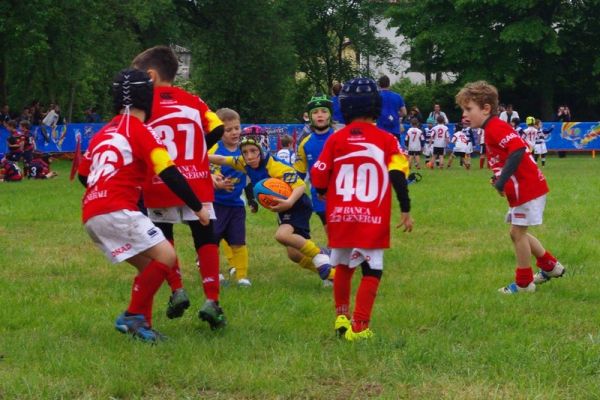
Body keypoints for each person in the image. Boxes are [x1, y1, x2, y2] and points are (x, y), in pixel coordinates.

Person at [78, 68, 210, 342]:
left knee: (148, 265)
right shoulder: (141, 131)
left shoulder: (103, 132)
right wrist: (197, 207)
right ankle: (132, 316)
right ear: (147, 99)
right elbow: (169, 172)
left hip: (91, 213)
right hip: (117, 209)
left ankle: (142, 327)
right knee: (166, 257)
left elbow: (83, 173)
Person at [309, 77, 413, 341]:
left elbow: (319, 174)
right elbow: (398, 175)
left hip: (340, 215)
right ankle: (360, 327)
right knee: (372, 270)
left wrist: (323, 192)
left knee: (343, 265)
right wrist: (405, 208)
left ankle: (341, 316)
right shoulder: (387, 140)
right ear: (376, 105)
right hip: (371, 215)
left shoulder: (335, 139)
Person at [131, 45, 227, 330]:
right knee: (205, 236)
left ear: (150, 76)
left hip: (160, 181)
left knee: (164, 237)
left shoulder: (142, 104)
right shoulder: (194, 101)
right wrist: (198, 152)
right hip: (196, 180)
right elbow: (219, 128)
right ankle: (212, 300)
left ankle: (177, 289)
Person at [456, 80, 564, 294]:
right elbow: (507, 157)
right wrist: (499, 177)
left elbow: (517, 150)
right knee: (518, 232)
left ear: (486, 109)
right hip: (524, 187)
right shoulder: (491, 129)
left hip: (527, 188)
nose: (464, 115)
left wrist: (503, 179)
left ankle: (524, 284)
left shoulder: (495, 126)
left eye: (469, 109)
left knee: (517, 234)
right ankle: (551, 266)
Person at [208, 127, 334, 286]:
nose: (249, 156)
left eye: (253, 151)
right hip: (284, 208)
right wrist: (198, 157)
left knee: (282, 235)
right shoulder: (243, 162)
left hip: (297, 204)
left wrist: (288, 202)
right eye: (245, 152)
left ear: (263, 148)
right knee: (294, 254)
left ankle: (320, 255)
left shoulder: (274, 165)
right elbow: (221, 159)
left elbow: (300, 185)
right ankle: (329, 273)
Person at [209, 107, 252, 287]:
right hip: (216, 204)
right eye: (228, 130)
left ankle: (241, 277)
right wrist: (217, 182)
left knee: (238, 241)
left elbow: (250, 175)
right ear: (220, 132)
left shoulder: (245, 150)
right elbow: (210, 172)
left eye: (237, 128)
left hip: (236, 205)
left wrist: (252, 198)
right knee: (212, 241)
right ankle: (211, 271)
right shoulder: (214, 150)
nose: (234, 132)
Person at [293, 94, 336, 228]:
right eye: (315, 112)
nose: (320, 115)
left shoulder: (340, 138)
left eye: (324, 111)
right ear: (309, 117)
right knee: (332, 234)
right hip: (319, 196)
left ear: (330, 115)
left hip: (342, 194)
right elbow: (299, 174)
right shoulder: (304, 143)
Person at [376, 75, 407, 141]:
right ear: (389, 84)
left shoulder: (376, 97)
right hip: (394, 130)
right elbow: (404, 113)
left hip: (381, 129)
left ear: (379, 84)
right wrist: (396, 114)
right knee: (394, 150)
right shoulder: (398, 96)